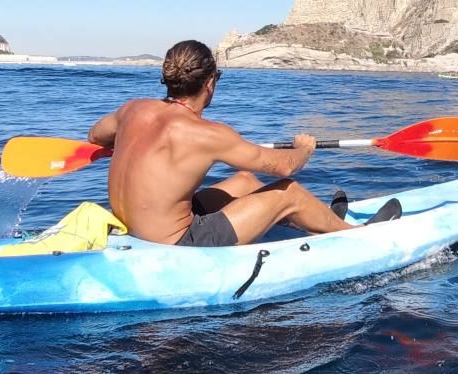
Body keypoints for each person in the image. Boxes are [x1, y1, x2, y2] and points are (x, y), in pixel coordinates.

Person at [86, 40, 402, 247]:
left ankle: (313, 225)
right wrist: (305, 147)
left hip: (133, 227)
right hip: (178, 243)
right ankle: (357, 238)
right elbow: (285, 166)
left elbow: (96, 135)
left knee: (245, 181)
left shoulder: (131, 110)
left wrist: (135, 141)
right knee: (287, 193)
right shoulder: (206, 133)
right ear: (210, 83)